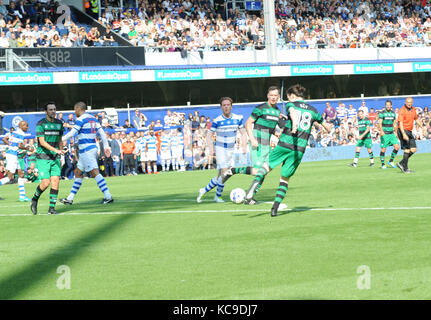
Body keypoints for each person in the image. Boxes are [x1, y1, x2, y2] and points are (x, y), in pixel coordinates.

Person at [244, 84, 331, 216]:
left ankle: (252, 189)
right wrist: (328, 128)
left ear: (292, 96)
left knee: (266, 167)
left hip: (285, 143)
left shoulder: (292, 104)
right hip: (299, 150)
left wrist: (294, 124)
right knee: (284, 179)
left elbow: (293, 114)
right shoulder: (313, 110)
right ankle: (274, 209)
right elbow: (326, 127)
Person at [223, 87, 282, 195]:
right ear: (268, 96)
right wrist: (252, 138)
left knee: (264, 171)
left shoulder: (277, 111)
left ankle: (250, 196)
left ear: (278, 97)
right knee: (258, 171)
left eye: (275, 95)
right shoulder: (260, 108)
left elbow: (270, 127)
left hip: (266, 140)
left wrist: (276, 134)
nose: (273, 97)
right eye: (271, 95)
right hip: (257, 139)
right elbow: (248, 123)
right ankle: (233, 171)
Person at [59, 101, 114, 205]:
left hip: (86, 150)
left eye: (75, 110)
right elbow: (102, 133)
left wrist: (61, 139)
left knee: (95, 172)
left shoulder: (80, 119)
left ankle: (108, 196)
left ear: (78, 109)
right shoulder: (93, 118)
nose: (74, 112)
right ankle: (70, 198)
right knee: (78, 173)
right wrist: (106, 146)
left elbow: (72, 133)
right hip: (91, 148)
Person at [197, 97, 245, 203]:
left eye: (228, 105)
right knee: (225, 172)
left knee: (222, 176)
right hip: (220, 148)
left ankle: (204, 190)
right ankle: (217, 197)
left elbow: (243, 133)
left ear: (231, 106)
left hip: (231, 149)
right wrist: (211, 149)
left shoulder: (238, 118)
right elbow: (209, 136)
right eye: (224, 105)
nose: (226, 107)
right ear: (221, 107)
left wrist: (244, 146)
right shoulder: (217, 120)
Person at [30, 102, 65, 215]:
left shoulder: (59, 123)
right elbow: (42, 142)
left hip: (55, 157)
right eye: (50, 109)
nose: (53, 111)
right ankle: (34, 199)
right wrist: (56, 150)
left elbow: (60, 139)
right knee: (46, 183)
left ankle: (51, 209)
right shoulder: (40, 124)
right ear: (45, 112)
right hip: (43, 157)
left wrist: (61, 151)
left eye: (54, 109)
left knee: (55, 182)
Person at [0, 121, 33, 201]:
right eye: (26, 126)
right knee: (10, 177)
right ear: (21, 126)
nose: (27, 127)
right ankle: (22, 196)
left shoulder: (14, 132)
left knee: (21, 174)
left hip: (13, 154)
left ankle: (22, 196)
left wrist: (11, 145)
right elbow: (20, 145)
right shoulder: (21, 133)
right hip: (12, 155)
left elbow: (4, 139)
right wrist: (28, 148)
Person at [396, 97, 427, 173]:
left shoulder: (413, 109)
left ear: (412, 102)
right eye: (408, 102)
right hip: (402, 130)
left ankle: (401, 163)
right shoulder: (402, 110)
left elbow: (416, 119)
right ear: (405, 102)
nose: (409, 103)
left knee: (413, 149)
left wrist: (423, 128)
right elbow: (400, 123)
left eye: (410, 102)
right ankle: (405, 168)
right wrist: (403, 134)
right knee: (407, 149)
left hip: (409, 131)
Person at [377, 100, 399, 169]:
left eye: (389, 105)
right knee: (383, 149)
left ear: (391, 106)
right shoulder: (382, 113)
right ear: (385, 105)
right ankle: (383, 164)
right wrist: (381, 131)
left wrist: (396, 133)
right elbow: (379, 123)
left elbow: (395, 124)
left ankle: (391, 161)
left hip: (391, 133)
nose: (388, 106)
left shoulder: (393, 113)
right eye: (387, 105)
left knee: (397, 147)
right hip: (385, 134)